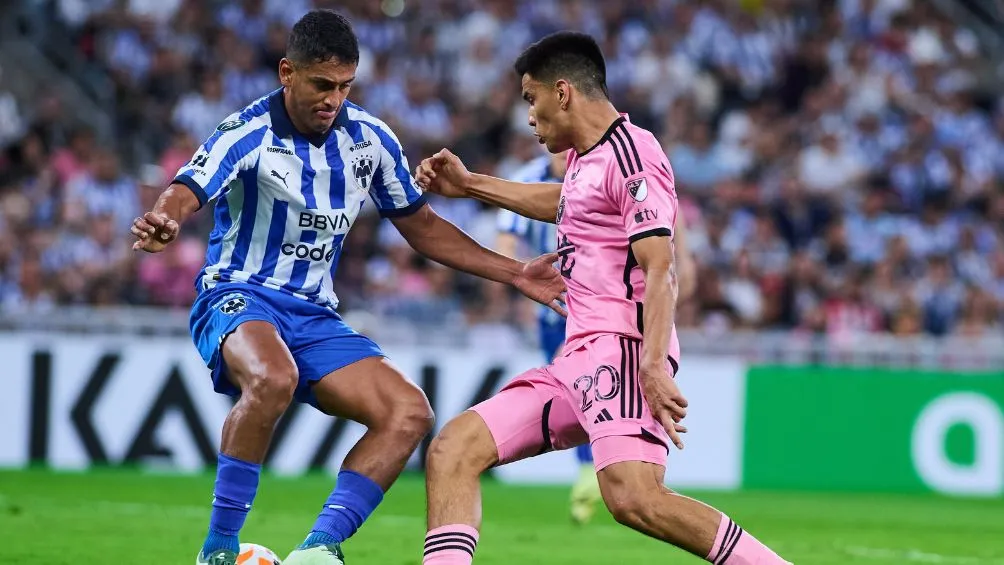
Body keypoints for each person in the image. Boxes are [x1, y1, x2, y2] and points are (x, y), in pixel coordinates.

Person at [129, 11, 565, 565]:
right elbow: (187, 187)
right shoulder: (247, 132)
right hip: (238, 294)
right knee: (271, 377)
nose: (332, 99)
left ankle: (319, 550)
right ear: (287, 72)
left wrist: (515, 270)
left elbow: (422, 227)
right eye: (320, 84)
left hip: (313, 314)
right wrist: (165, 219)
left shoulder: (371, 140)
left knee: (409, 412)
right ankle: (216, 551)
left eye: (344, 86)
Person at [415, 32, 791, 565]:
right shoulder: (585, 161)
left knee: (635, 499)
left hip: (623, 353)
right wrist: (472, 185)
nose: (529, 115)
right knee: (453, 449)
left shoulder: (633, 152)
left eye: (531, 98)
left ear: (562, 92)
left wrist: (654, 365)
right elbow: (563, 202)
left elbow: (661, 269)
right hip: (577, 358)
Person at [497, 150, 700, 526]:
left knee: (590, 384)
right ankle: (596, 470)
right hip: (555, 306)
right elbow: (507, 239)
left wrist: (678, 277)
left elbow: (671, 240)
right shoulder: (528, 177)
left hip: (605, 308)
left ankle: (599, 472)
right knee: (580, 391)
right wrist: (519, 275)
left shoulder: (613, 167)